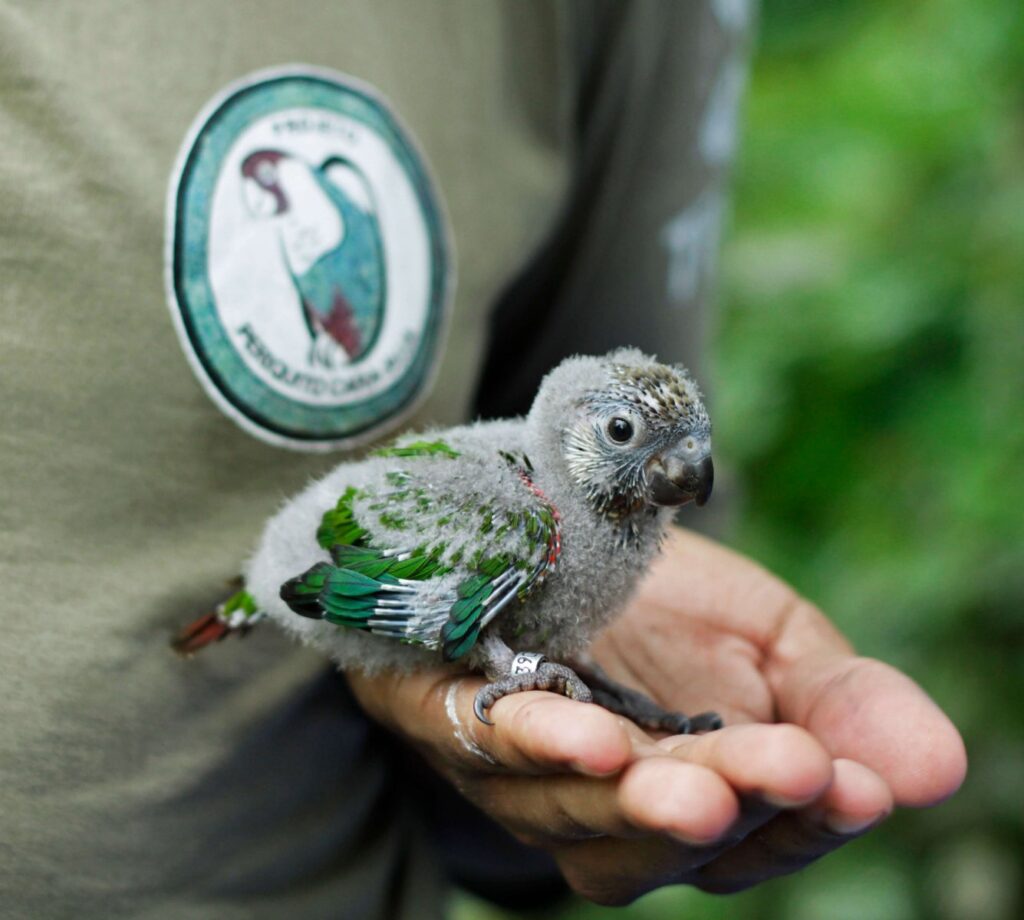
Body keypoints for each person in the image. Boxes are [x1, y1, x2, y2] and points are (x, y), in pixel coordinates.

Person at [0, 2, 964, 917]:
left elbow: (528, 819)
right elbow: (341, 582)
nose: (680, 475)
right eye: (627, 438)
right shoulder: (520, 520)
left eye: (681, 450)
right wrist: (494, 656)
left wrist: (580, 757)